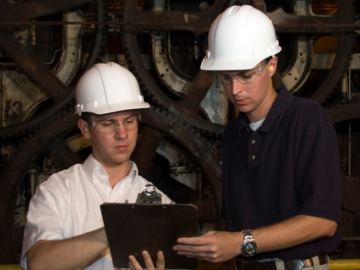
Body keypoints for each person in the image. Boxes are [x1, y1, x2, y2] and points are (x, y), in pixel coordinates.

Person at [173, 5, 341, 270]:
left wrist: (240, 242)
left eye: (246, 75)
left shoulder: (307, 118)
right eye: (225, 78)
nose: (235, 89)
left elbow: (324, 221)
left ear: (271, 64)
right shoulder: (233, 134)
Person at [20, 62, 172, 270]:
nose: (122, 134)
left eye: (129, 121)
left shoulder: (160, 203)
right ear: (85, 129)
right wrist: (113, 228)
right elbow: (39, 264)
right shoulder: (57, 192)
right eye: (108, 123)